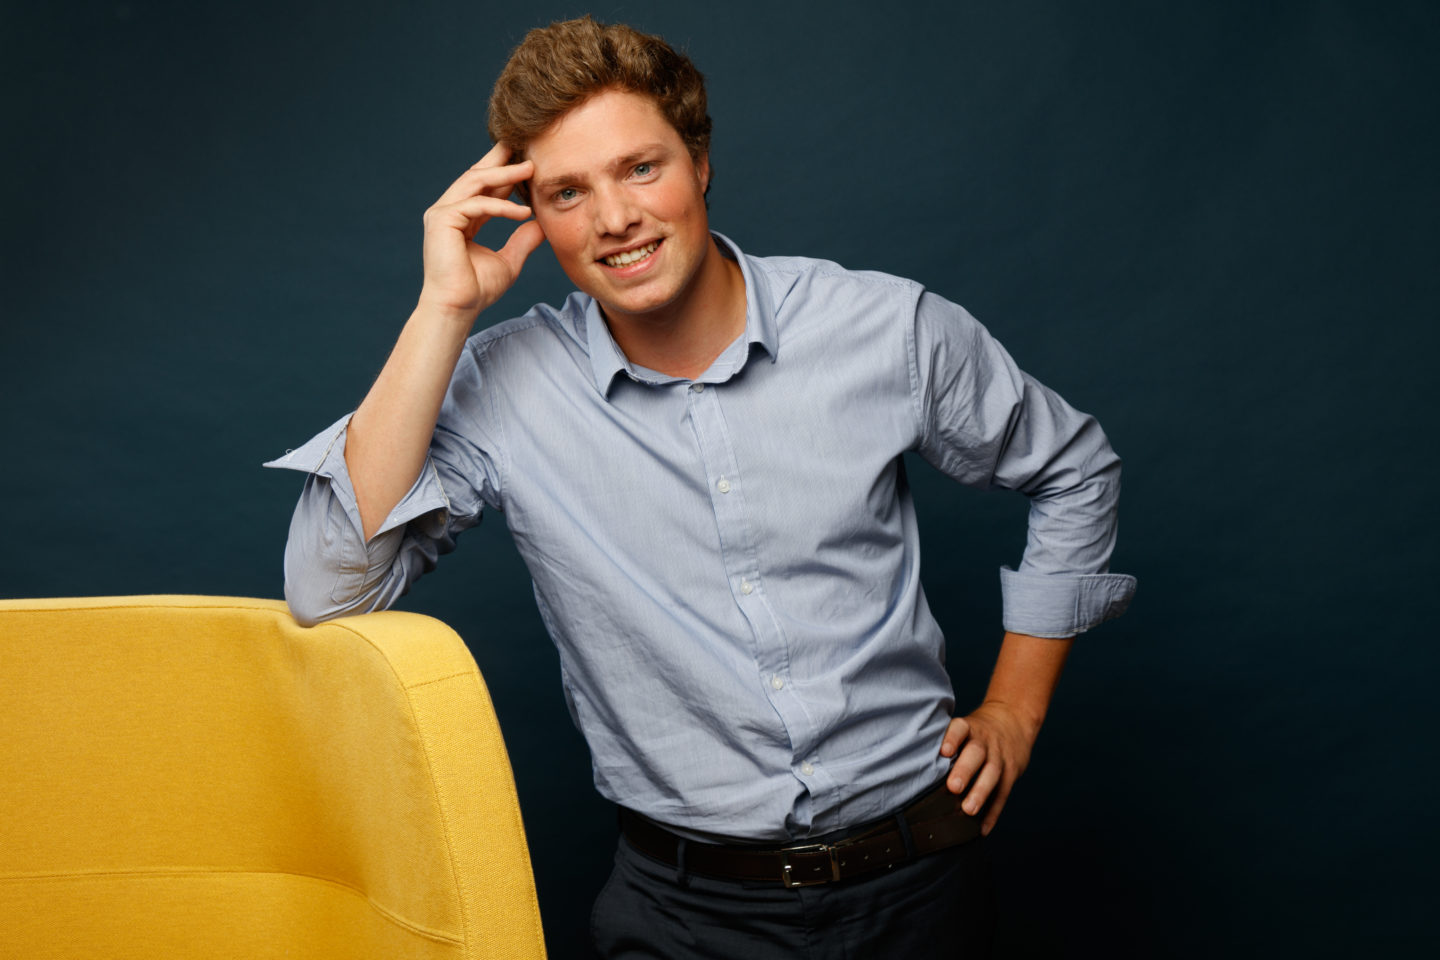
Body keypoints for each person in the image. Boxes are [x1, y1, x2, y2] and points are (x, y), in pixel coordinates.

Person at [267, 15, 1134, 958]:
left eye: (641, 169)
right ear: (531, 215)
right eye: (567, 192)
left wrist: (1014, 710)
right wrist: (443, 308)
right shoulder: (503, 387)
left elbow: (1074, 469)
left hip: (920, 889)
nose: (614, 219)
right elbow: (329, 585)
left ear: (702, 162)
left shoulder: (885, 327)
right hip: (684, 919)